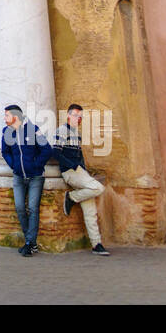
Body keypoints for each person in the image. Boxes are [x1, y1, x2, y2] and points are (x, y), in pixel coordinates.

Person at [54, 103, 110, 256]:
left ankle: (96, 244)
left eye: (80, 117)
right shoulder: (62, 131)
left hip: (80, 172)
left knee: (90, 211)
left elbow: (80, 155)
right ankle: (71, 197)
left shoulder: (77, 134)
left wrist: (84, 170)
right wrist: (72, 166)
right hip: (70, 172)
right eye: (75, 115)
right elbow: (55, 152)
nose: (78, 119)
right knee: (98, 188)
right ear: (68, 115)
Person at [1, 104, 51, 256]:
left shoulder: (33, 130)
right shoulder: (6, 132)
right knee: (20, 208)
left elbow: (47, 149)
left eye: (7, 115)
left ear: (15, 117)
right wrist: (14, 165)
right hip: (18, 176)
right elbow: (5, 152)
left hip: (35, 176)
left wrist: (36, 165)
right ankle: (31, 242)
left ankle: (29, 243)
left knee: (33, 208)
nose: (5, 119)